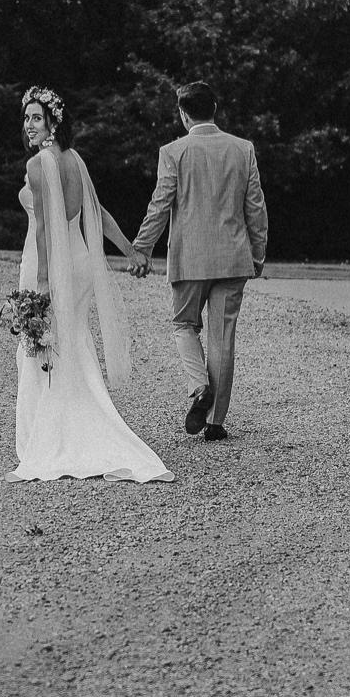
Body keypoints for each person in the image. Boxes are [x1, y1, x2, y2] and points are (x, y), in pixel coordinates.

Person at [6, 86, 174, 483]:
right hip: (78, 261)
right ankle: (85, 426)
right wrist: (130, 250)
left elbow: (46, 227)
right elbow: (96, 215)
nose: (28, 125)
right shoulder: (74, 159)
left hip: (48, 263)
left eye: (35, 117)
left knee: (42, 348)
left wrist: (44, 283)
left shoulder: (39, 165)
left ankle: (46, 442)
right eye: (26, 117)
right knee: (73, 343)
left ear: (52, 122)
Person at [130, 82, 268, 442]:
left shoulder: (173, 152)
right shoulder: (243, 149)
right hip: (234, 258)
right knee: (223, 338)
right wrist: (257, 252)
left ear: (183, 113)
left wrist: (143, 248)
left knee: (183, 325)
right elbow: (255, 207)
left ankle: (198, 387)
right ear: (215, 108)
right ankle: (216, 422)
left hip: (190, 259)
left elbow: (160, 204)